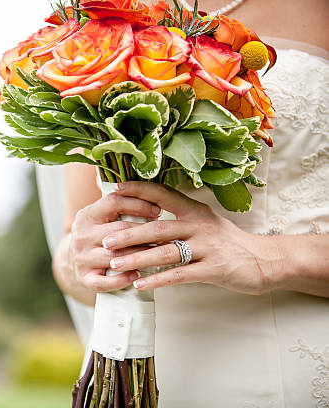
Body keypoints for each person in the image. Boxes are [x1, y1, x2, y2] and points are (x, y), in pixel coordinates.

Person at [39, 0, 329, 406]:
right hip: (133, 373)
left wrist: (267, 257)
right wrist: (84, 259)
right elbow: (70, 248)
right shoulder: (97, 14)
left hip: (294, 363)